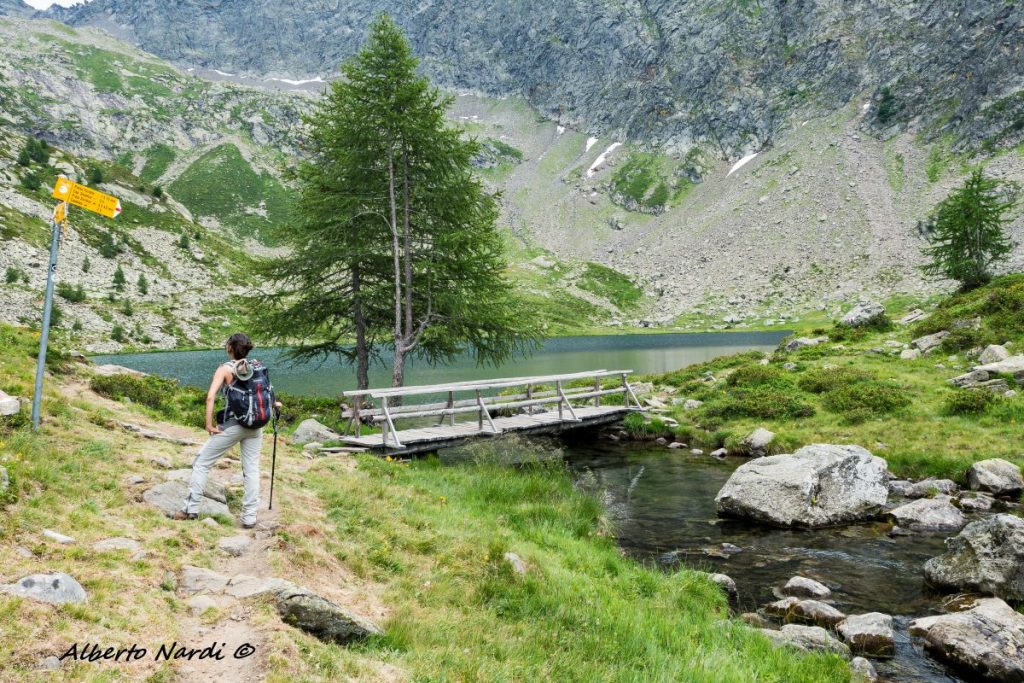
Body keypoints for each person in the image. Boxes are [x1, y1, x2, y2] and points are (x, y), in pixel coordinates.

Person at [170, 333, 279, 528]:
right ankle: (249, 517)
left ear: (230, 347)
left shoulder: (225, 369)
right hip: (256, 426)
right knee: (251, 469)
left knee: (201, 463)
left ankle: (190, 509)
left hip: (233, 425)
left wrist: (209, 424)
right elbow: (268, 393)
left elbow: (210, 397)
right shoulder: (256, 366)